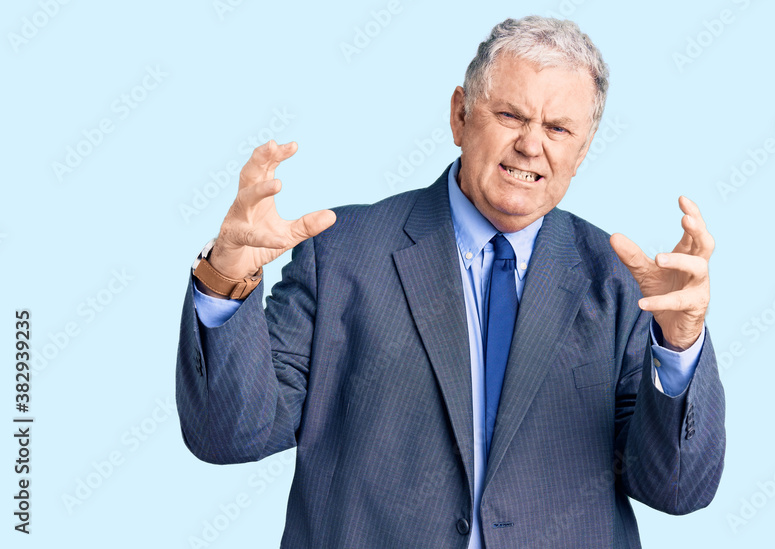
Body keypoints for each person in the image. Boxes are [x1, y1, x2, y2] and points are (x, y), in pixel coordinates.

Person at [176, 16, 725, 548]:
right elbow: (228, 435)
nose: (532, 146)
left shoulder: (621, 283)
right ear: (461, 116)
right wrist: (226, 275)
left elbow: (677, 489)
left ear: (581, 152)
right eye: (511, 115)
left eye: (558, 129)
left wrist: (679, 347)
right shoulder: (340, 253)